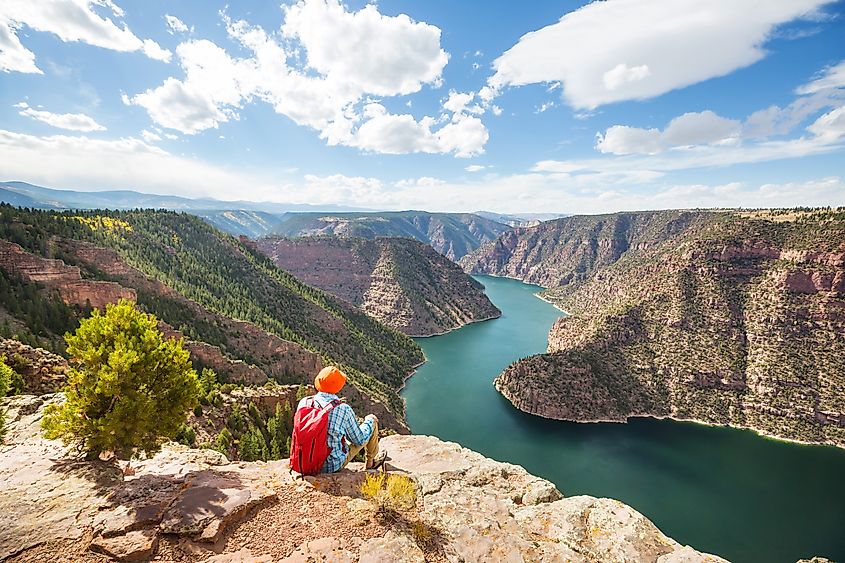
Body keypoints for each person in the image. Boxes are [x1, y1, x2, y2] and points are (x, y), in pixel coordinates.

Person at [296, 365, 387, 473]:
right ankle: (370, 464)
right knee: (371, 422)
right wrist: (369, 420)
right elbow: (359, 440)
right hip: (331, 466)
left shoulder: (304, 402)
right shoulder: (343, 409)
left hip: (305, 462)